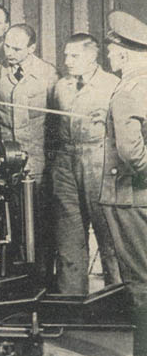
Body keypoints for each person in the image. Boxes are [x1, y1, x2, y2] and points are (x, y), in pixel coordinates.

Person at [0, 23, 58, 285]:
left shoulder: (48, 74)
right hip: (5, 161)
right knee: (9, 219)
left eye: (17, 48)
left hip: (37, 161)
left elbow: (54, 124)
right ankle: (13, 278)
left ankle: (43, 279)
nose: (11, 52)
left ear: (32, 48)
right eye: (7, 46)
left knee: (40, 221)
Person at [52, 33, 121, 295]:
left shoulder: (112, 85)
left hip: (100, 161)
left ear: (92, 56)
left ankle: (118, 303)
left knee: (109, 236)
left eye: (74, 56)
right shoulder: (61, 86)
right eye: (66, 55)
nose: (67, 61)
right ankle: (72, 304)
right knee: (69, 237)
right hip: (66, 162)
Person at [100, 11, 147, 356]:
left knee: (140, 283)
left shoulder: (128, 91)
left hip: (130, 198)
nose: (109, 58)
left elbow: (132, 155)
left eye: (112, 52)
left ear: (125, 53)